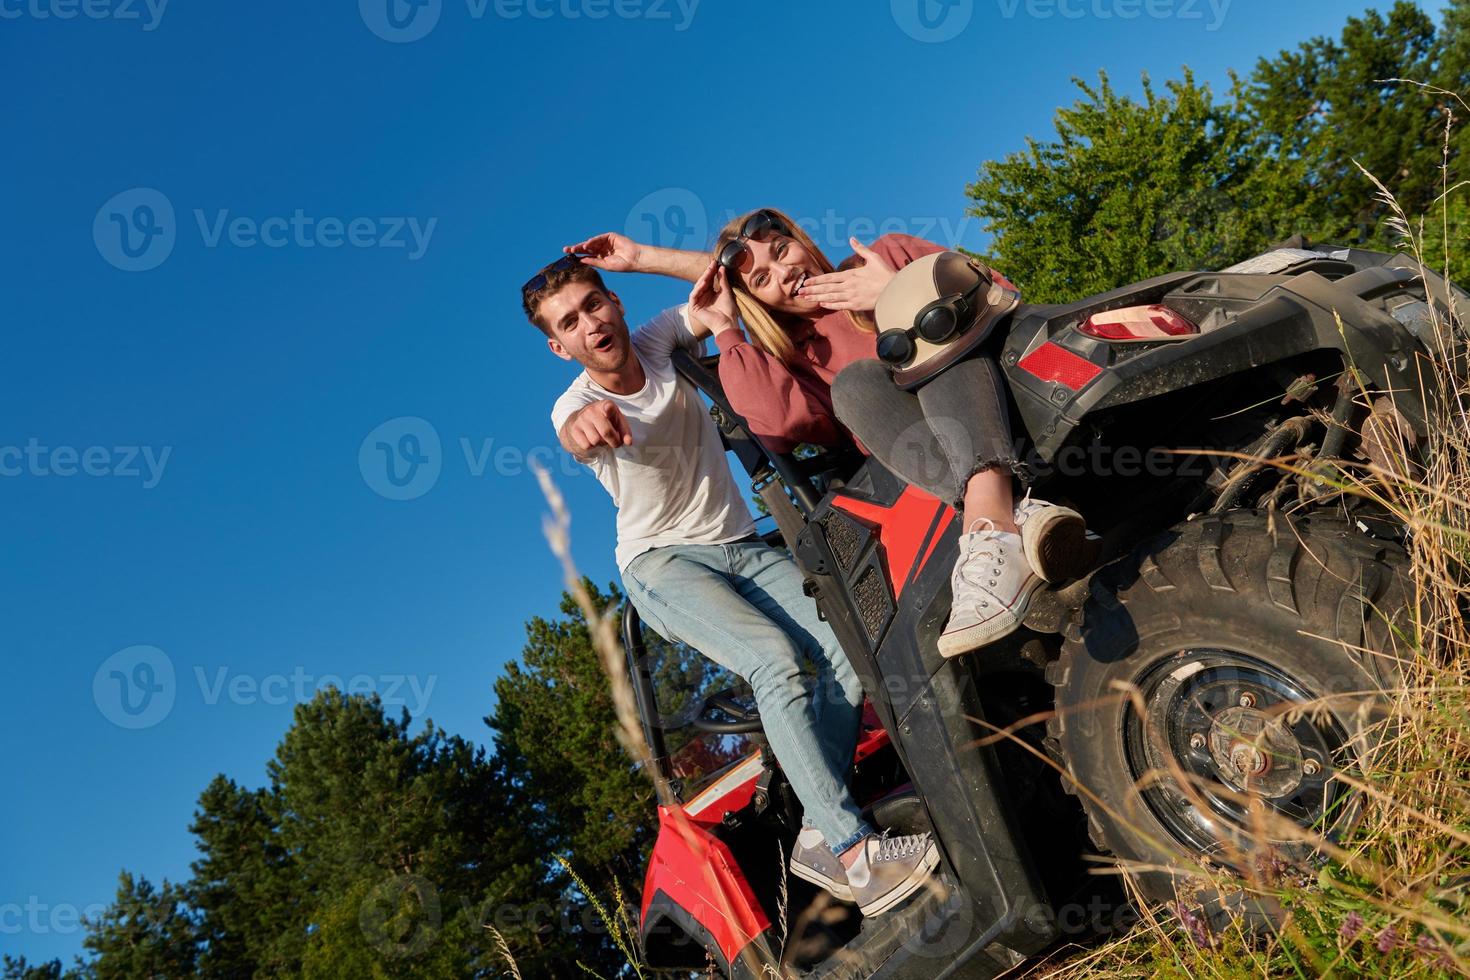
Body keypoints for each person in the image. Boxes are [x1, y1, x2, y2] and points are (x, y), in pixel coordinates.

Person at [525, 253, 939, 917]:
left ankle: (818, 829)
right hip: (663, 565)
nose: (589, 324)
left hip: (741, 545)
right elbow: (573, 433)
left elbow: (728, 280)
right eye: (569, 322)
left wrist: (638, 257)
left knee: (850, 647)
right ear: (560, 345)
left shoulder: (660, 337)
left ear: (615, 303)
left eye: (594, 304)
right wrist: (582, 433)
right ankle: (856, 854)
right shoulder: (577, 405)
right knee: (774, 660)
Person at [563, 210, 1088, 657]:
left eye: (782, 250)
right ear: (756, 303)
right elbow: (777, 423)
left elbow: (1005, 296)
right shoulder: (801, 359)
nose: (783, 272)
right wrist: (726, 327)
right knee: (858, 384)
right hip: (929, 463)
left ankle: (993, 524)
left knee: (927, 327)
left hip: (1021, 410)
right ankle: (1014, 520)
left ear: (802, 242)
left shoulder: (886, 254)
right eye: (762, 281)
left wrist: (895, 293)